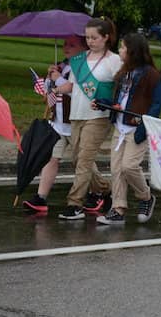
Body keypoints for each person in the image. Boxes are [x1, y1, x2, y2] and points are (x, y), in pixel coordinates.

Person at [54, 17, 122, 220]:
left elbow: (122, 87)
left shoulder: (114, 60)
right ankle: (105, 188)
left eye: (94, 37)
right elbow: (73, 87)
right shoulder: (79, 60)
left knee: (84, 160)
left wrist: (112, 104)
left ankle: (75, 204)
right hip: (76, 115)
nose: (90, 41)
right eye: (87, 37)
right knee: (77, 159)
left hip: (98, 117)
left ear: (106, 38)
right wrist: (55, 85)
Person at [93, 33, 161, 225]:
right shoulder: (123, 73)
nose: (120, 50)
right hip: (120, 126)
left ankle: (146, 197)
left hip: (137, 128)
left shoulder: (151, 75)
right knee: (116, 169)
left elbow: (156, 105)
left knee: (129, 166)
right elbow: (119, 100)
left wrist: (146, 125)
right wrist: (103, 104)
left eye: (123, 47)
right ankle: (118, 209)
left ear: (133, 51)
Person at [22, 35, 88, 212]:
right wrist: (50, 80)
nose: (67, 48)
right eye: (65, 44)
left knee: (82, 162)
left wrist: (58, 79)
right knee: (51, 158)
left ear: (83, 47)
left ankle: (101, 190)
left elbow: (75, 90)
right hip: (58, 123)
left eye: (72, 45)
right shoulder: (60, 65)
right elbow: (49, 91)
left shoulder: (84, 66)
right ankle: (41, 197)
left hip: (75, 122)